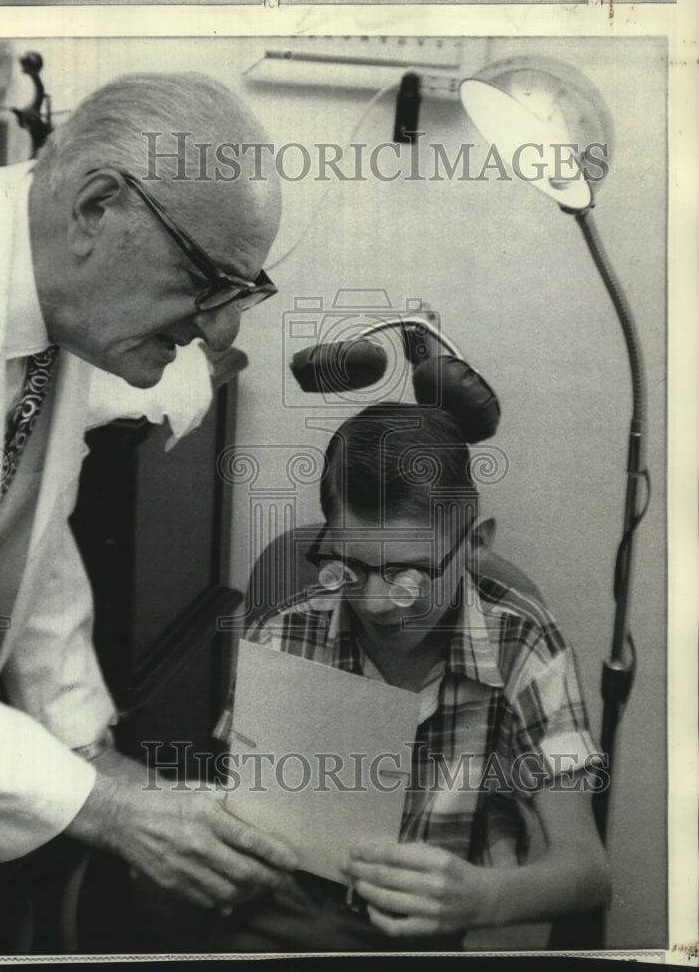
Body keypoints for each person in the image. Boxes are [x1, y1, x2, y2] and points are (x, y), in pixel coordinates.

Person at [0, 70, 298, 939]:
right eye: (208, 280)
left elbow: (20, 532)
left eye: (240, 294)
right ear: (98, 208)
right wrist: (101, 805)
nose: (218, 332)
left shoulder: (50, 300)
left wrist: (91, 748)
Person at [211, 402, 610, 952]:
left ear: (474, 543)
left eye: (409, 574)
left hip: (418, 940)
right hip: (277, 921)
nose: (378, 604)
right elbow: (232, 817)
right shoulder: (284, 635)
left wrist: (485, 898)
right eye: (351, 565)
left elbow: (588, 870)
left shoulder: (523, 644)